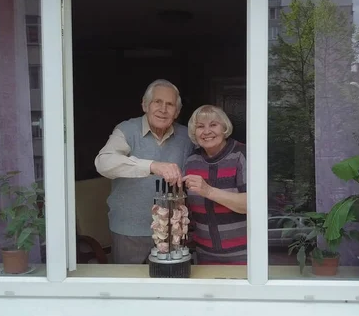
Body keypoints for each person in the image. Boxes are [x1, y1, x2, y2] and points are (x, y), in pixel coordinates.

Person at [94, 79, 195, 264]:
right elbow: (103, 163)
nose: (163, 109)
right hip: (129, 231)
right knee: (129, 288)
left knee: (169, 286)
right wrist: (152, 166)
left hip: (172, 233)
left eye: (170, 104)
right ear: (145, 105)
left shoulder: (187, 136)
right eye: (157, 102)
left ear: (177, 112)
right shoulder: (126, 130)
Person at [182, 105, 247, 265]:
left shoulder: (242, 155)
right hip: (204, 254)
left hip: (244, 254)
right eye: (200, 126)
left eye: (213, 125)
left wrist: (208, 191)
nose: (206, 132)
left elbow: (251, 204)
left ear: (224, 128)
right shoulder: (191, 162)